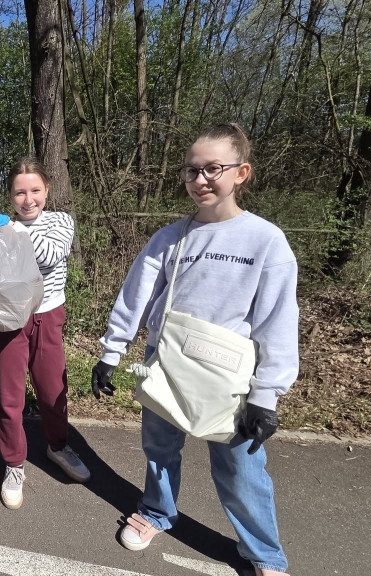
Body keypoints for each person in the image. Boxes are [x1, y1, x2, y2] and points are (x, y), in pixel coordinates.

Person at [91, 123, 298, 576]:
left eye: (212, 169)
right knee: (159, 449)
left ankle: (264, 554)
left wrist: (266, 396)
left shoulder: (266, 241)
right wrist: (112, 352)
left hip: (230, 378)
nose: (200, 180)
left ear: (242, 172)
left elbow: (277, 322)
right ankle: (156, 512)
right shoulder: (170, 237)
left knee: (241, 472)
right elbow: (136, 296)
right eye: (191, 171)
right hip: (165, 365)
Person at [0, 157, 89, 510]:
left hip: (48, 315)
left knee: (53, 390)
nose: (28, 200)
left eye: (35, 190)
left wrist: (9, 230)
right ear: (10, 195)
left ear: (47, 190)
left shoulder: (60, 222)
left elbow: (49, 255)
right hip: (9, 320)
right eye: (19, 192)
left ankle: (58, 446)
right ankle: (13, 464)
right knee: (10, 398)